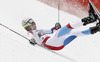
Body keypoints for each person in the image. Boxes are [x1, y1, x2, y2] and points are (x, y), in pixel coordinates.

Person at [22, 8, 100, 50]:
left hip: (58, 46)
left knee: (74, 33)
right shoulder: (30, 32)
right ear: (27, 26)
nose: (34, 24)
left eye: (33, 22)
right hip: (49, 42)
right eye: (31, 23)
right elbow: (30, 36)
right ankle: (90, 18)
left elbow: (51, 31)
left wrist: (56, 27)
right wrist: (31, 40)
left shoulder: (39, 30)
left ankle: (97, 28)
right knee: (68, 27)